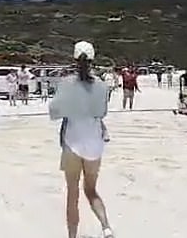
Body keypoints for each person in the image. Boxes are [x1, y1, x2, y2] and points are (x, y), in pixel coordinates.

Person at [49, 41, 114, 238]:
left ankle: (72, 236)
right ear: (93, 60)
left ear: (74, 60)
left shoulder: (67, 83)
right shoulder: (103, 86)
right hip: (94, 143)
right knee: (91, 190)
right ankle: (106, 228)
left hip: (73, 142)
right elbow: (101, 112)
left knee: (72, 195)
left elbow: (54, 113)